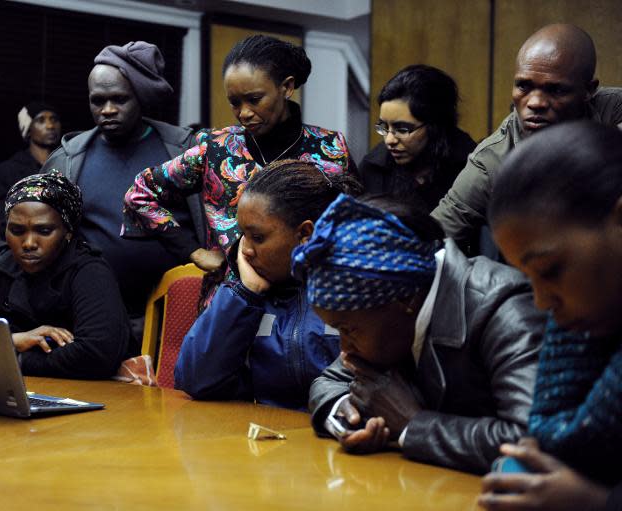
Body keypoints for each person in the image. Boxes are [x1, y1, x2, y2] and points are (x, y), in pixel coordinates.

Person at [295, 194, 544, 474]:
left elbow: (532, 441)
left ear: (406, 301)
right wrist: (348, 416)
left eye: (347, 329)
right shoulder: (388, 307)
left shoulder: (501, 307)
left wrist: (413, 425)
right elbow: (329, 382)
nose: (343, 348)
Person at [122, 34, 354, 304]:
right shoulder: (217, 149)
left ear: (287, 87)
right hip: (230, 303)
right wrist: (194, 252)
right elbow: (140, 193)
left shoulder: (329, 148)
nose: (244, 113)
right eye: (235, 102)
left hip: (309, 304)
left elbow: (352, 224)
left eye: (254, 99)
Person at [478, 121, 622, 510]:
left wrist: (598, 501)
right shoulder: (583, 328)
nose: (541, 303)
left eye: (551, 269)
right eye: (529, 278)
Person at [42, 41, 203, 338]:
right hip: (94, 316)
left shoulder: (183, 150)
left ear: (140, 98)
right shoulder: (67, 160)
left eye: (119, 99)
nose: (107, 110)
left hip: (177, 313)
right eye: (97, 101)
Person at [175, 160, 361, 410]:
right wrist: (245, 294)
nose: (246, 250)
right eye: (243, 235)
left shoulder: (354, 291)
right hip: (271, 439)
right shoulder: (247, 296)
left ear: (305, 233)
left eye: (258, 238)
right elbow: (195, 380)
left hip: (340, 436)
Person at [431, 24, 622, 251]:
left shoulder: (614, 107)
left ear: (589, 91)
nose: (535, 102)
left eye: (556, 90)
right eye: (524, 86)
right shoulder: (492, 160)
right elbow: (436, 234)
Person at [0, 171, 137, 379]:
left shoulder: (89, 271)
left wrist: (17, 359)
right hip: (26, 389)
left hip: (102, 396)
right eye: (17, 231)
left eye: (44, 231)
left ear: (68, 232)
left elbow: (97, 354)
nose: (28, 244)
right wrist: (14, 340)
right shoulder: (5, 266)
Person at [360, 64, 476, 210]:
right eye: (384, 127)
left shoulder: (472, 167)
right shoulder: (373, 168)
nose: (389, 140)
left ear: (435, 126)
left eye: (402, 129)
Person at [0, 103, 62, 234]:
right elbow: (1, 219)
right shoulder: (7, 171)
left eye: (54, 119)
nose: (50, 126)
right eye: (41, 120)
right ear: (28, 129)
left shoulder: (68, 166)